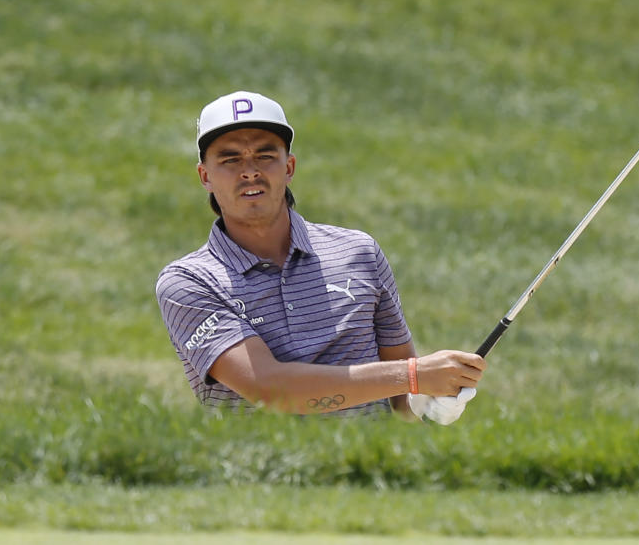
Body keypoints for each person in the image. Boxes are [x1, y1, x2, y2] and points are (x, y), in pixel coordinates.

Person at [156, 91, 486, 423]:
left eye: (265, 155)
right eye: (230, 160)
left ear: (289, 167)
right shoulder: (189, 282)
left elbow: (401, 398)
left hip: (365, 466)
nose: (249, 171)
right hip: (254, 473)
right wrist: (414, 376)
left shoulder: (359, 253)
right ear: (205, 177)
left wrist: (429, 402)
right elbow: (269, 390)